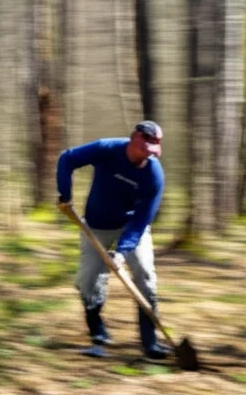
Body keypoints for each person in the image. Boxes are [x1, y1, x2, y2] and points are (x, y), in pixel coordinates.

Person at [56, 121, 167, 359]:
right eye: (145, 148)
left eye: (152, 151)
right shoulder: (107, 149)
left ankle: (151, 343)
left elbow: (141, 220)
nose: (147, 156)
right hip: (95, 226)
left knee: (145, 276)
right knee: (87, 282)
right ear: (134, 138)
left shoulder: (154, 175)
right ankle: (98, 335)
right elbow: (67, 159)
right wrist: (65, 195)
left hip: (130, 228)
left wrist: (122, 252)